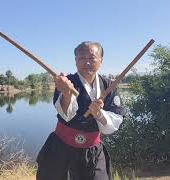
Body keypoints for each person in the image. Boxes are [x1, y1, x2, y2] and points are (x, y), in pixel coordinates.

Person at [36, 41, 125, 180]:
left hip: (93, 151)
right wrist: (66, 93)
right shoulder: (66, 82)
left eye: (91, 58)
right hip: (61, 148)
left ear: (101, 60)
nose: (86, 62)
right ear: (76, 61)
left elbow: (115, 121)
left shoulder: (109, 86)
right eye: (81, 58)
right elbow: (65, 114)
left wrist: (99, 114)